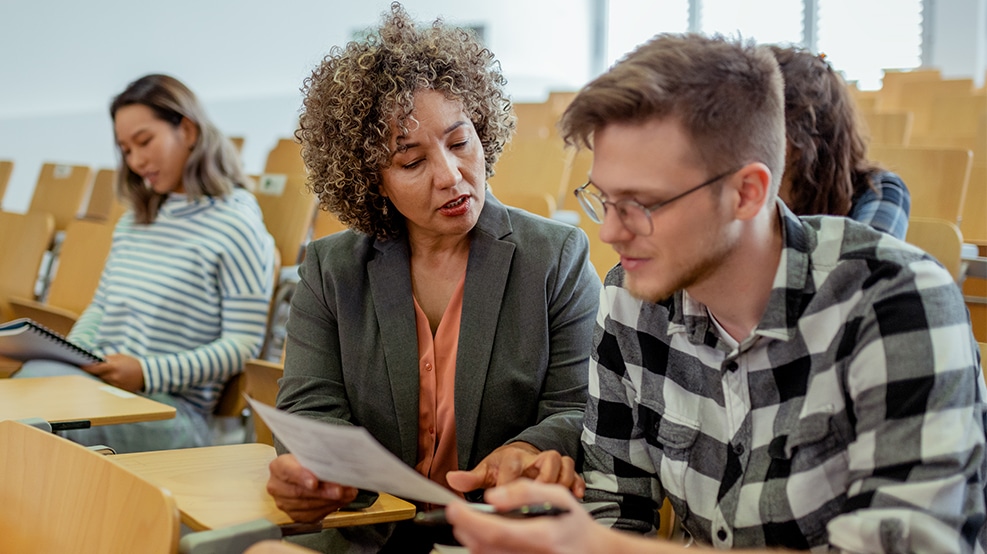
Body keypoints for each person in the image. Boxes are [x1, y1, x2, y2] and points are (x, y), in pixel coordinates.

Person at [444, 33, 987, 553]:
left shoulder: (896, 301)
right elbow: (616, 505)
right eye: (603, 200)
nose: (609, 232)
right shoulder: (630, 301)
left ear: (746, 193)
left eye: (643, 204)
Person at [264, 3, 600, 552]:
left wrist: (526, 450)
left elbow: (576, 407)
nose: (450, 176)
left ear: (483, 131)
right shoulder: (331, 269)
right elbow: (308, 406)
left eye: (460, 142)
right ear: (373, 180)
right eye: (412, 161)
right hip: (365, 530)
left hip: (497, 532)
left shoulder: (556, 258)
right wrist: (312, 472)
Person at [14, 74, 275, 453]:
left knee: (32, 414)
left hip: (172, 413)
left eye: (144, 142)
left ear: (187, 129)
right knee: (31, 388)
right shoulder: (135, 221)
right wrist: (74, 355)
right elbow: (102, 306)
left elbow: (242, 346)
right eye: (125, 149)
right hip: (104, 387)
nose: (136, 161)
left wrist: (146, 372)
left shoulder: (236, 225)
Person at [771, 45, 910, 239]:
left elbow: (866, 266)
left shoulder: (881, 190)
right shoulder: (748, 190)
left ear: (806, 137)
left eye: (767, 124)